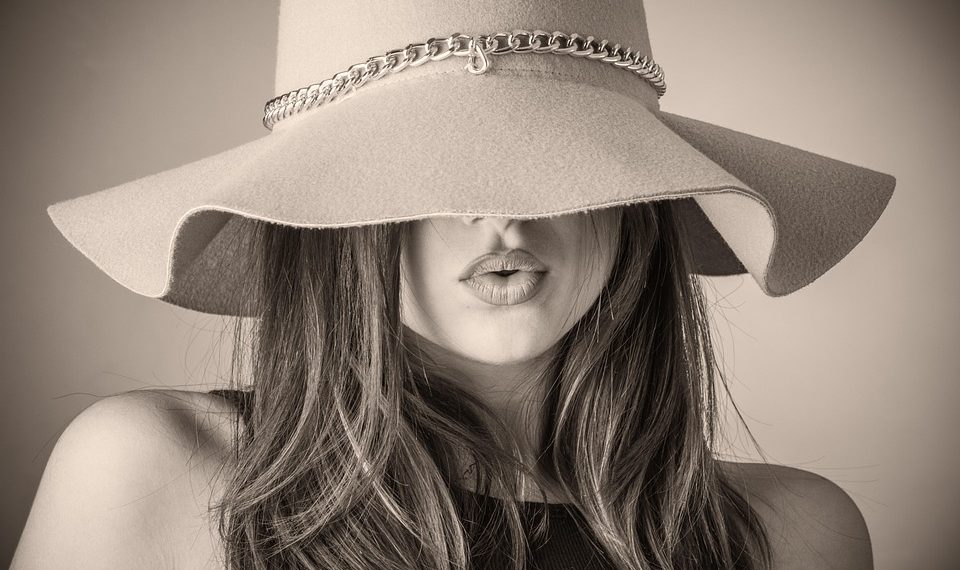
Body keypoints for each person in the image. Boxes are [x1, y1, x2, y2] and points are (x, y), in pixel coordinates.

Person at [12, 0, 894, 568]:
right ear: (332, 216)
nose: (497, 213)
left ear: (638, 200)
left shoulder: (795, 536)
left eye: (549, 156)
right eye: (422, 167)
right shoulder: (160, 472)